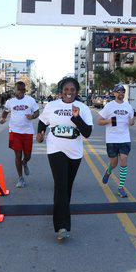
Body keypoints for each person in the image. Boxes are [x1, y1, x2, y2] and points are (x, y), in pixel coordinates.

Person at [37, 77, 93, 241]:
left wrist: (76, 117)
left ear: (77, 92)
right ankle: (62, 226)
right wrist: (40, 133)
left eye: (72, 90)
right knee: (61, 185)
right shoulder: (52, 106)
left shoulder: (83, 108)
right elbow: (42, 121)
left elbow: (87, 133)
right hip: (55, 148)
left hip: (75, 152)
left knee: (67, 187)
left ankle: (61, 210)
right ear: (61, 91)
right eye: (66, 90)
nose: (69, 93)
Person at [98, 84, 135, 198]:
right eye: (118, 91)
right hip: (112, 139)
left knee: (123, 160)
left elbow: (132, 120)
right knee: (114, 163)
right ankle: (108, 171)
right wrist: (109, 121)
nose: (121, 93)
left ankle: (121, 187)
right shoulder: (109, 106)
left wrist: (132, 122)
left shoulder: (128, 106)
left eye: (123, 91)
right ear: (114, 93)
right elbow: (99, 121)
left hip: (125, 139)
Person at [0, 82, 39, 188]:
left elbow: (37, 112)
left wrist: (32, 116)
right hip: (14, 132)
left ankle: (24, 162)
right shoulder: (10, 102)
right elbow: (5, 112)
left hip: (27, 132)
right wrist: (2, 119)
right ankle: (20, 178)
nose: (21, 92)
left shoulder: (30, 100)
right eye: (19, 89)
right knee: (17, 155)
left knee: (28, 156)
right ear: (15, 90)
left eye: (23, 90)